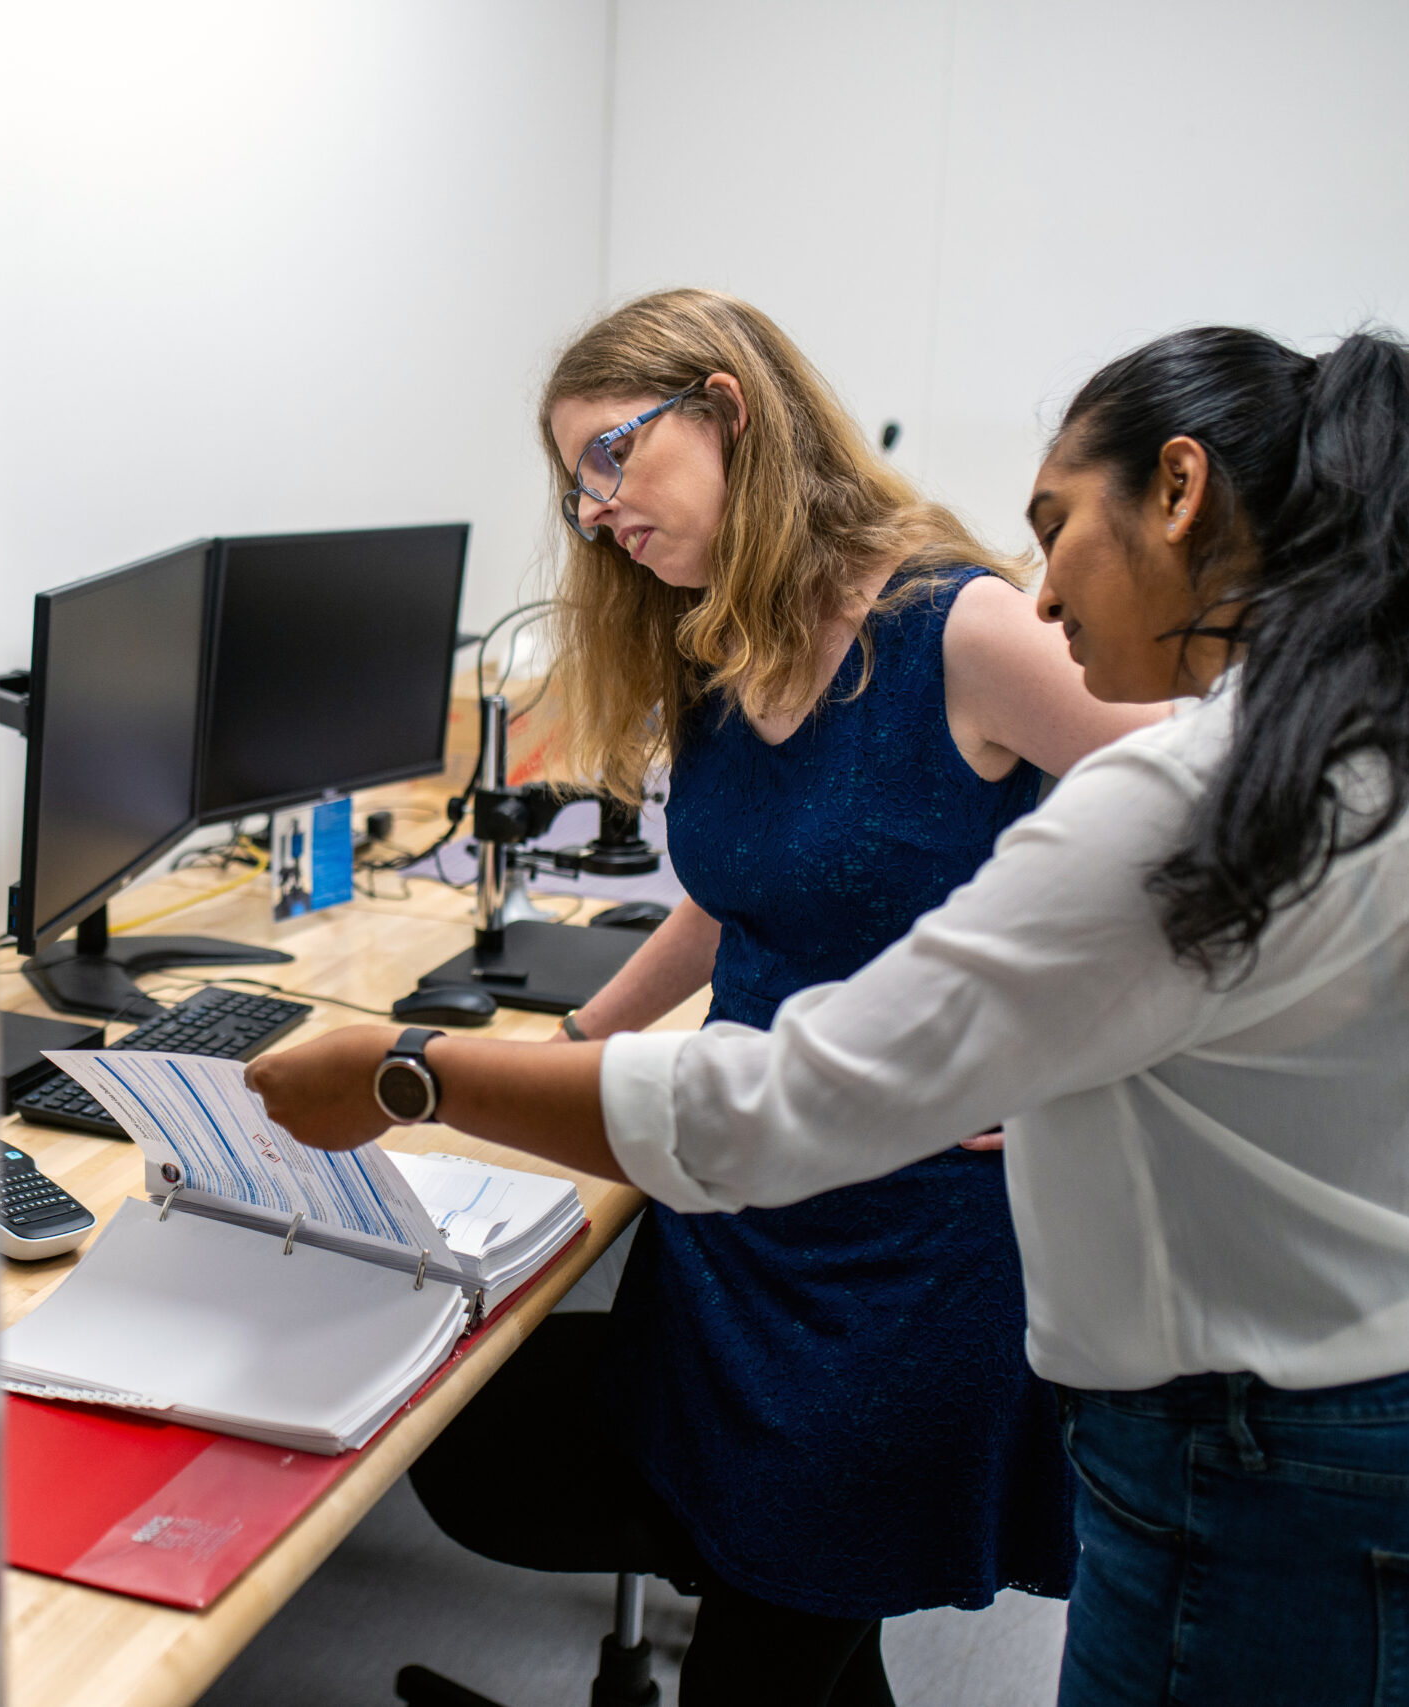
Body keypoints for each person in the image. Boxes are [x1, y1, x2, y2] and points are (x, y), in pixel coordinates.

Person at [253, 324, 1409, 1705]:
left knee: (774, 1617)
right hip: (1404, 1375)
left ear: (1179, 494)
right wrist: (570, 1046)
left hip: (1149, 1361)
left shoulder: (1145, 761)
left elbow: (788, 1103)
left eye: (1058, 531)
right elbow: (777, 904)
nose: (1041, 595)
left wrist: (414, 1072)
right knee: (730, 1566)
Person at [420, 289, 1165, 1704]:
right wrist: (585, 1038)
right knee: (791, 1604)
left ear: (727, 408)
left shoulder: (962, 629)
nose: (593, 515)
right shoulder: (725, 635)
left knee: (773, 1643)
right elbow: (739, 887)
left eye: (611, 459)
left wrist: (1085, 1068)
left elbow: (1205, 834)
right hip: (741, 1206)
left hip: (911, 1254)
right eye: (574, 484)